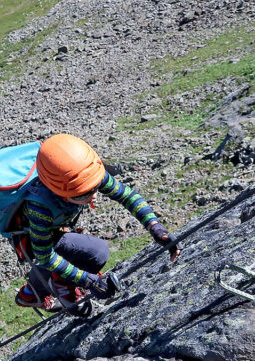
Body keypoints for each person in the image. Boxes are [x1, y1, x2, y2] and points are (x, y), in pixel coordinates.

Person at [11, 133, 180, 312]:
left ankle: (30, 293)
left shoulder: (87, 173)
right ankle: (61, 287)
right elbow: (44, 255)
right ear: (60, 191)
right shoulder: (41, 206)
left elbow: (127, 195)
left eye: (95, 188)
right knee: (96, 252)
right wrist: (88, 280)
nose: (94, 195)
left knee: (81, 251)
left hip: (54, 226)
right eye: (83, 194)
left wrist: (155, 227)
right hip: (33, 234)